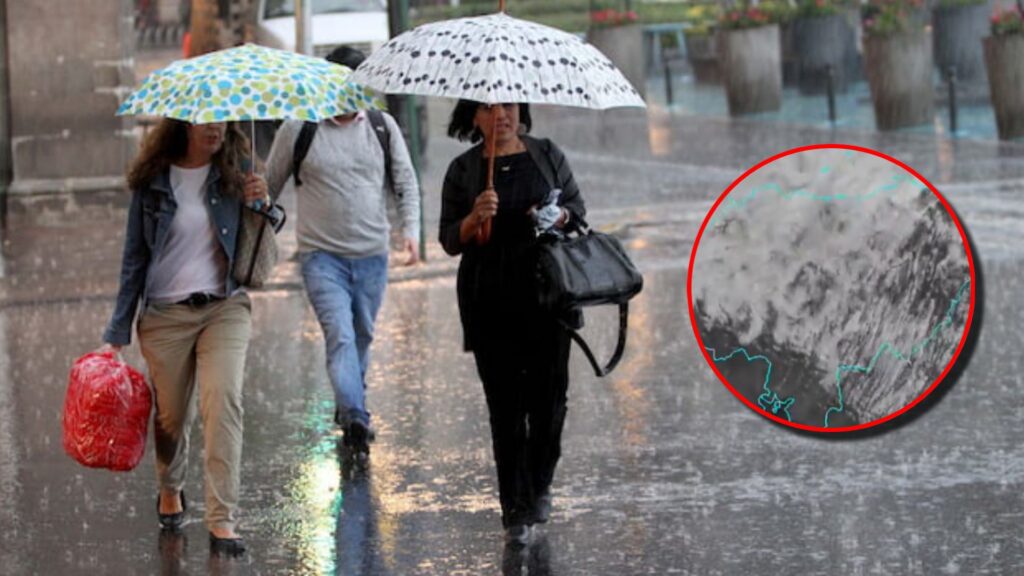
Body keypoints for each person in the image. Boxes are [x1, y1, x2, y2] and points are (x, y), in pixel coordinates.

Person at [102, 119, 277, 556]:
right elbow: (133, 259)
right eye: (205, 121)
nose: (215, 128)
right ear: (183, 125)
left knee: (224, 401)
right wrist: (117, 332)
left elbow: (265, 232)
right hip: (165, 316)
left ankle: (222, 520)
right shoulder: (154, 180)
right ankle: (170, 486)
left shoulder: (237, 168)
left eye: (221, 119)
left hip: (224, 307)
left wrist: (263, 205)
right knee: (171, 418)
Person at [439, 100, 585, 546]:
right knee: (505, 409)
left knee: (549, 405)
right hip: (489, 300)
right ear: (474, 118)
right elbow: (448, 239)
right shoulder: (464, 170)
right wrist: (473, 220)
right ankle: (515, 511)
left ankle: (540, 484)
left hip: (547, 296)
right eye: (488, 107)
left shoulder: (547, 154)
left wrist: (557, 215)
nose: (501, 114)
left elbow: (577, 212)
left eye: (510, 105)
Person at [263, 46, 421, 456]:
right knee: (340, 336)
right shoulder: (299, 129)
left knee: (363, 336)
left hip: (372, 254)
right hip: (321, 257)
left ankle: (350, 402)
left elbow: (405, 180)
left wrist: (412, 233)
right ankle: (355, 414)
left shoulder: (382, 127)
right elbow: (270, 185)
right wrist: (253, 209)